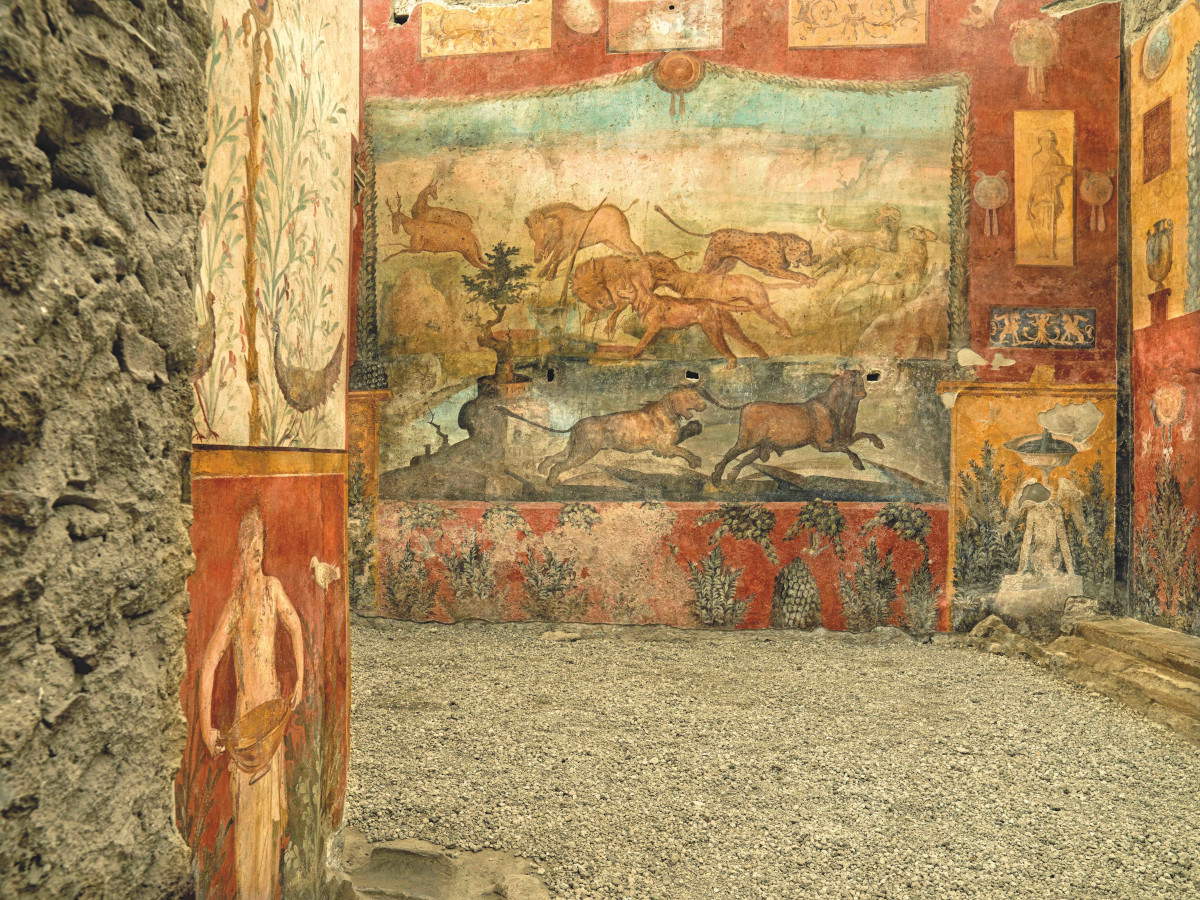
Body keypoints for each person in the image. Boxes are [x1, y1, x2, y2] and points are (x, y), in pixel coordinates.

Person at [199, 506, 305, 899]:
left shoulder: (273, 588)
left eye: (259, 546)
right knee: (247, 817)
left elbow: (295, 626)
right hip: (246, 722)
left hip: (270, 717)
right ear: (240, 554)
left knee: (269, 821)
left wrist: (301, 678)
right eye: (248, 548)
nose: (255, 554)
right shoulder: (236, 603)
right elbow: (209, 662)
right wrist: (206, 725)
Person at [1026, 130, 1073, 260]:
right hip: (1038, 192)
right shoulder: (1036, 158)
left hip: (1050, 193)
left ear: (1053, 143)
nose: (1047, 143)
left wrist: (1058, 173)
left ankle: (1051, 251)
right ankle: (1043, 249)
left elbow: (1060, 179)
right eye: (1045, 140)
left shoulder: (1056, 158)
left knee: (1050, 221)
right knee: (1037, 221)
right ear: (1040, 142)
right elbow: (1036, 177)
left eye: (1050, 141)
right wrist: (1032, 194)